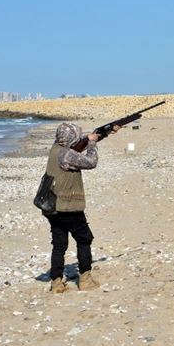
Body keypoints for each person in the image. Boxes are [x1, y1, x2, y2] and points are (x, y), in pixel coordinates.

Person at [43, 122, 118, 293]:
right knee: (84, 239)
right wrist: (91, 143)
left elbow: (77, 148)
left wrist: (104, 134)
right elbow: (91, 162)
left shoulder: (56, 148)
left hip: (52, 206)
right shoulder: (67, 154)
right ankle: (85, 280)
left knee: (59, 244)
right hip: (68, 206)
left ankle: (56, 282)